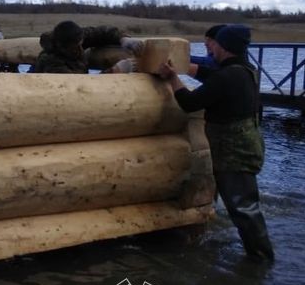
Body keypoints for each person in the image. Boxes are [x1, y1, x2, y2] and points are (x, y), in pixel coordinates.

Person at [157, 24, 275, 261]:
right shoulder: (244, 70)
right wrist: (184, 68)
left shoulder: (228, 76)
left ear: (225, 47)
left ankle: (262, 259)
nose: (212, 49)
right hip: (242, 149)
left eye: (216, 45)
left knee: (244, 209)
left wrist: (172, 78)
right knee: (242, 207)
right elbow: (211, 77)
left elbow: (190, 102)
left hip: (235, 154)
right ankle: (256, 258)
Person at [30, 20, 137, 74]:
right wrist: (115, 71)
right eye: (76, 46)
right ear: (63, 46)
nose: (80, 48)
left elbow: (100, 32)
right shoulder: (51, 61)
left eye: (81, 43)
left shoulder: (75, 36)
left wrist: (123, 39)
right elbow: (79, 87)